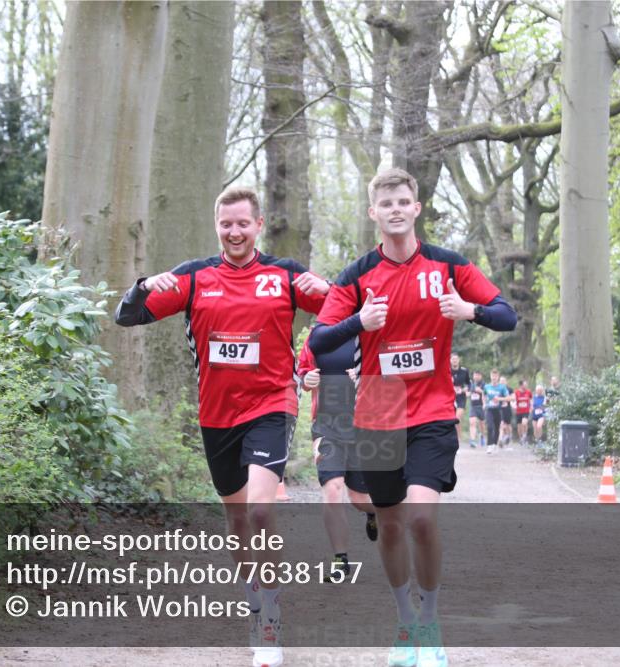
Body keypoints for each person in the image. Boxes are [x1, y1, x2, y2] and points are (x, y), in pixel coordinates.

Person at [308, 168, 516, 667]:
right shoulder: (357, 276)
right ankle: (405, 621)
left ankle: (432, 623)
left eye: (404, 201)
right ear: (373, 213)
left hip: (432, 410)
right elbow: (316, 342)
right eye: (387, 203)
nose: (396, 209)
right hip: (379, 410)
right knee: (392, 523)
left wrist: (469, 311)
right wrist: (360, 322)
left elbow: (506, 314)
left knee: (422, 517)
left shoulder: (448, 266)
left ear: (417, 208)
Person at [115, 186, 330, 667]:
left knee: (259, 510)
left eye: (243, 223)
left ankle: (269, 620)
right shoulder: (194, 277)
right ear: (218, 226)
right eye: (226, 223)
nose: (235, 232)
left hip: (273, 405)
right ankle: (254, 594)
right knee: (237, 520)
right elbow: (126, 316)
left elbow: (342, 314)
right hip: (217, 416)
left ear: (258, 225)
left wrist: (333, 294)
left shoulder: (285, 275)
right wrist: (145, 285)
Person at [297, 337, 378, 582]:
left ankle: (374, 513)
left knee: (358, 498)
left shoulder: (368, 333)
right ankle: (340, 560)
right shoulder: (317, 336)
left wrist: (365, 376)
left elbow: (388, 372)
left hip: (362, 427)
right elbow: (301, 371)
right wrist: (306, 379)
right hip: (326, 427)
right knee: (333, 489)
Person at [483, 370, 509, 454]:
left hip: (498, 410)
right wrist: (484, 403)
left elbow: (508, 398)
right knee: (490, 426)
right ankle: (489, 445)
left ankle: (494, 444)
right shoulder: (486, 386)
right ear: (490, 376)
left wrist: (500, 399)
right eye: (492, 376)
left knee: (497, 428)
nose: (494, 378)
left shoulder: (502, 387)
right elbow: (483, 395)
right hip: (489, 409)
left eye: (495, 376)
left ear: (498, 377)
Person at [449, 353, 470, 444]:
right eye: (453, 359)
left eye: (456, 359)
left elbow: (469, 384)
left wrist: (465, 389)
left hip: (461, 397)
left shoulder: (464, 371)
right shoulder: (447, 371)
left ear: (458, 360)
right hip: (450, 397)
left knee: (457, 418)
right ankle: (456, 438)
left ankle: (457, 440)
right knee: (452, 420)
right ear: (450, 360)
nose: (454, 360)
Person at [468, 370, 485, 448]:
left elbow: (486, 393)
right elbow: (468, 392)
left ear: (481, 376)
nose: (476, 376)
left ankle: (482, 436)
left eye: (478, 375)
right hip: (473, 407)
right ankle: (472, 440)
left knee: (482, 424)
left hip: (481, 406)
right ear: (473, 376)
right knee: (472, 422)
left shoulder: (483, 384)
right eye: (475, 375)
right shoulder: (470, 383)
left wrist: (481, 391)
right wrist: (468, 393)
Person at [514, 379, 533, 445]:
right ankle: (521, 438)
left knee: (524, 423)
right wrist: (514, 407)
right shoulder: (516, 392)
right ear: (521, 385)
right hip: (519, 411)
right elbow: (514, 401)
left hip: (526, 410)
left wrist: (531, 407)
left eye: (526, 385)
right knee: (519, 426)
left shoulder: (528, 392)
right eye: (524, 385)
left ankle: (525, 435)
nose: (526, 386)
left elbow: (531, 400)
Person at [499, 378, 514, 448]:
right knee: (501, 424)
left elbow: (513, 398)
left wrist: (504, 399)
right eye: (501, 381)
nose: (502, 382)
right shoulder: (497, 389)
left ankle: (509, 436)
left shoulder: (510, 389)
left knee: (508, 425)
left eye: (503, 381)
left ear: (506, 382)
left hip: (507, 409)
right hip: (500, 409)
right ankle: (501, 439)